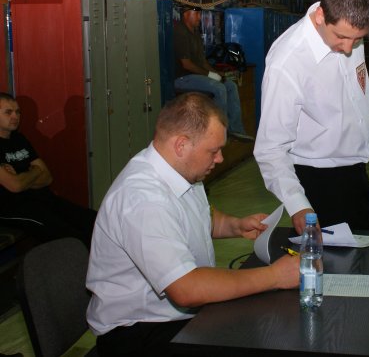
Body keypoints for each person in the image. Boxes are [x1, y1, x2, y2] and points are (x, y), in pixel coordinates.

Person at [86, 92, 299, 357]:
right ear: (181, 145)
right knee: (265, 334)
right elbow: (186, 289)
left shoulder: (180, 170)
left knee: (265, 321)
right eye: (213, 151)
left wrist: (234, 225)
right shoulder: (143, 199)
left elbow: (199, 216)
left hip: (172, 316)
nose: (220, 159)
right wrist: (276, 276)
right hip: (138, 332)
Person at [253, 0, 369, 234]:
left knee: (361, 251)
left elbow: (361, 85)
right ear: (321, 16)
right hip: (317, 182)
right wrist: (297, 204)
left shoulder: (347, 31)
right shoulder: (288, 62)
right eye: (341, 37)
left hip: (357, 173)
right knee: (329, 258)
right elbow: (270, 148)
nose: (349, 48)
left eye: (358, 39)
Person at [0, 93, 96, 247]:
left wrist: (20, 176)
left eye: (18, 112)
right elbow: (16, 186)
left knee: (95, 220)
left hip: (43, 199)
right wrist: (35, 171)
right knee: (74, 239)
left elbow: (47, 177)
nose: (15, 116)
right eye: (8, 112)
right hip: (13, 208)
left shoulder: (19, 139)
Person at [173, 6, 253, 142]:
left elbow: (202, 62)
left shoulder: (195, 33)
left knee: (230, 85)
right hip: (182, 78)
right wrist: (210, 75)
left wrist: (218, 74)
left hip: (196, 76)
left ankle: (236, 130)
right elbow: (186, 64)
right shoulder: (180, 32)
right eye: (196, 14)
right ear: (186, 14)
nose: (199, 17)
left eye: (199, 14)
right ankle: (219, 131)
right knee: (219, 88)